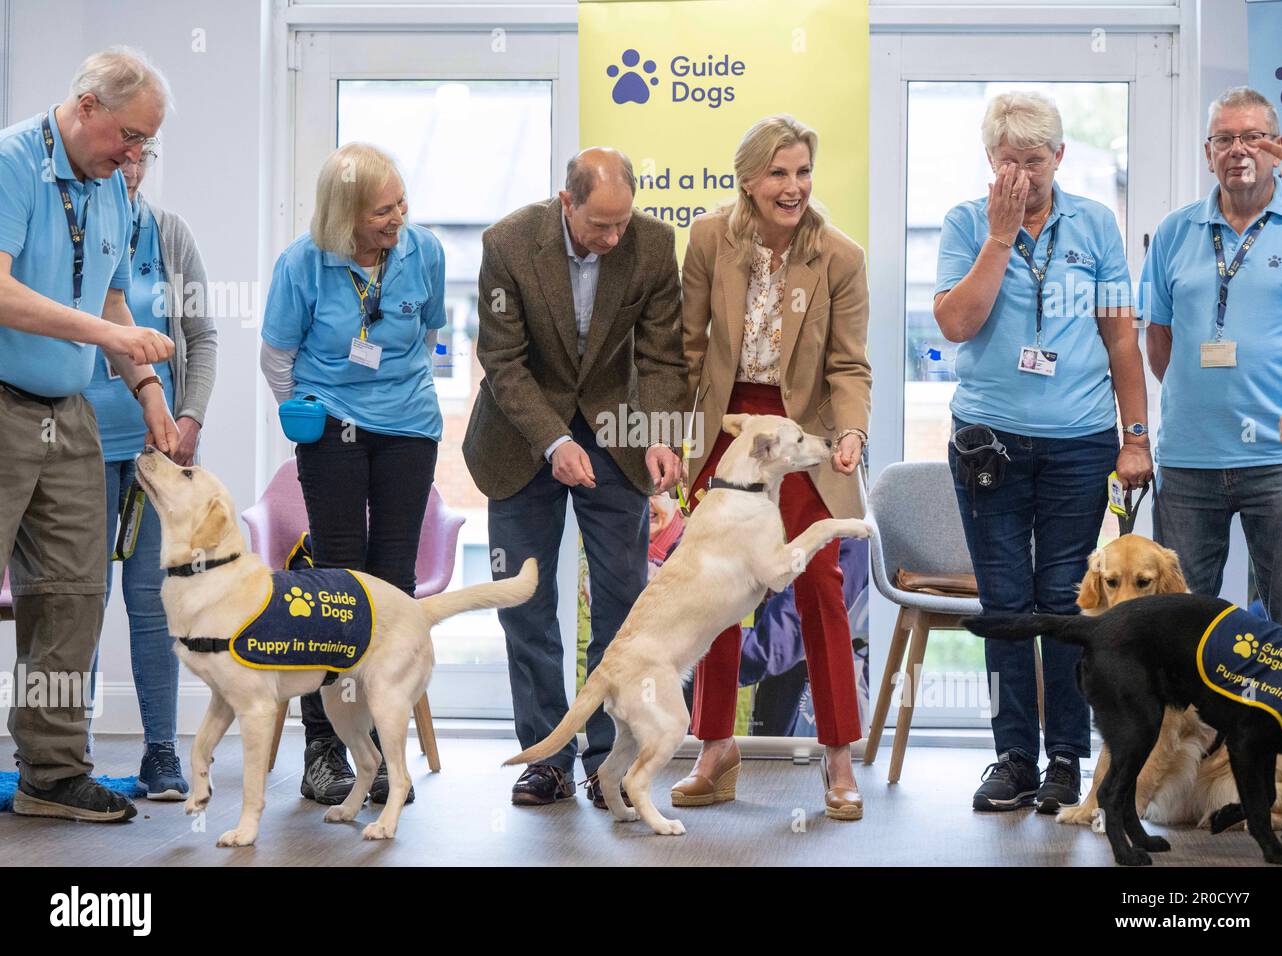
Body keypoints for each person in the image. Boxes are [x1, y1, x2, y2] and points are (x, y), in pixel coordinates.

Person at [933, 91, 1151, 813]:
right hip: (989, 440)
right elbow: (958, 324)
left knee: (1063, 602)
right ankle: (1012, 756)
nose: (1022, 174)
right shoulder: (968, 222)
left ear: (1059, 157)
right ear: (989, 162)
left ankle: (1066, 756)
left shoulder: (1095, 224)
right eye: (1008, 160)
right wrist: (998, 239)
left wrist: (1135, 436)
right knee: (1005, 602)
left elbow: (1121, 336)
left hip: (1080, 444)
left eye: (1034, 159)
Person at [465, 147, 686, 808]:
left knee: (622, 604)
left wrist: (660, 436)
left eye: (622, 224)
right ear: (568, 203)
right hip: (520, 435)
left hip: (616, 438)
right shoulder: (508, 242)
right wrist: (554, 439)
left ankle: (606, 760)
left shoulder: (651, 246)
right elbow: (502, 360)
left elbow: (662, 355)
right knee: (527, 604)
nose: (612, 239)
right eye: (598, 226)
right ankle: (545, 758)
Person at [670, 115, 872, 821]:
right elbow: (686, 351)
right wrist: (675, 436)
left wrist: (849, 431)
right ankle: (714, 745)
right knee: (718, 591)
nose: (794, 188)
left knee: (818, 582)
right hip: (729, 429)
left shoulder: (839, 256)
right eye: (779, 174)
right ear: (749, 180)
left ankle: (839, 755)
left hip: (806, 436)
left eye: (803, 172)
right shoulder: (706, 240)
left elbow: (848, 363)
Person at [0, 47, 177, 822]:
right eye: (129, 136)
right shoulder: (12, 162)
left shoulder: (116, 193)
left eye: (146, 144)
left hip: (66, 416)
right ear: (86, 106)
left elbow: (109, 298)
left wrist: (149, 395)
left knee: (72, 596)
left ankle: (51, 771)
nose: (135, 155)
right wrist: (107, 343)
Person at [261, 143, 446, 807]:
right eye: (381, 211)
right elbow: (277, 354)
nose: (397, 219)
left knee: (391, 584)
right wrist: (301, 411)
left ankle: (379, 750)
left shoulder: (423, 251)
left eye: (401, 204)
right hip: (332, 423)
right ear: (344, 214)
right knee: (338, 581)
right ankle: (323, 749)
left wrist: (392, 396)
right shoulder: (302, 263)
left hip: (408, 427)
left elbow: (427, 338)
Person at [1142, 87, 1282, 630]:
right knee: (1179, 621)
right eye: (1225, 139)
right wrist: (1199, 394)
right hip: (1189, 458)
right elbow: (1157, 337)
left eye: (1253, 137)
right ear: (1208, 153)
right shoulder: (1173, 232)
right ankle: (1189, 721)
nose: (1239, 150)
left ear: (1277, 147)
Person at [86, 141, 216, 799]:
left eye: (142, 158)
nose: (130, 171)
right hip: (76, 445)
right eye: (120, 157)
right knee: (80, 605)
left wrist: (188, 416)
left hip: (156, 453)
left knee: (152, 605)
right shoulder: (72, 231)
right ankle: (65, 761)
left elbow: (203, 335)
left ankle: (161, 754)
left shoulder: (169, 234)